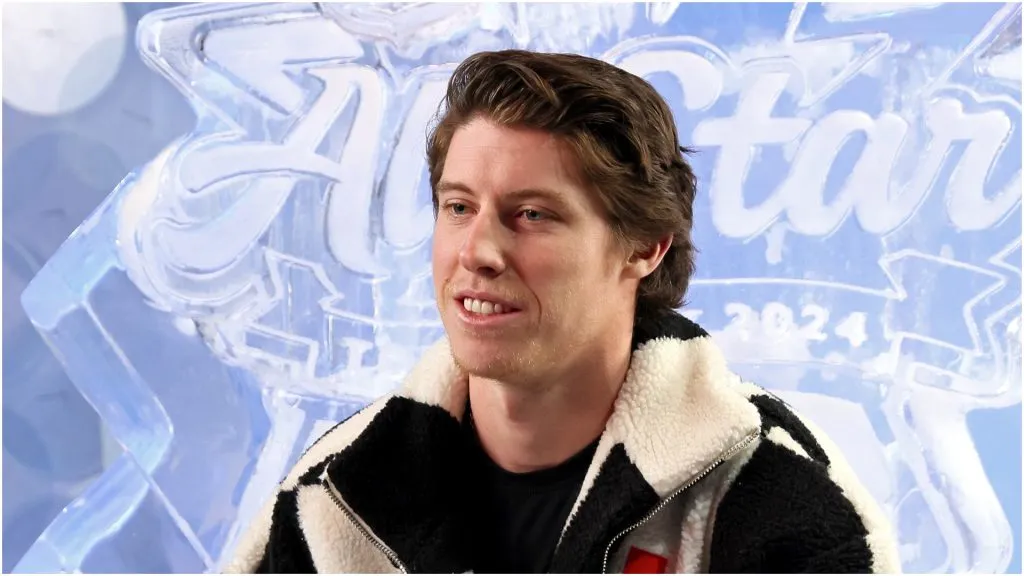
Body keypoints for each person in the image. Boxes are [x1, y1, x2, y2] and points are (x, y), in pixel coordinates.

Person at [225, 50, 900, 574]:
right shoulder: (336, 493)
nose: (478, 251)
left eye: (532, 215)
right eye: (458, 207)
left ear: (643, 246)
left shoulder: (776, 499)